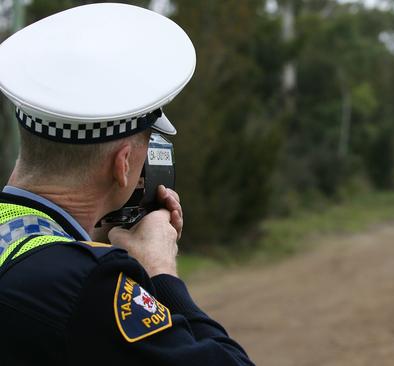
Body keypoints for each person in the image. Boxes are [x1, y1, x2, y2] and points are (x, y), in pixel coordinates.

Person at [0, 3, 255, 365]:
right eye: (149, 144)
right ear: (123, 165)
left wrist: (88, 243)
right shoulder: (89, 284)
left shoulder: (35, 255)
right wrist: (158, 270)